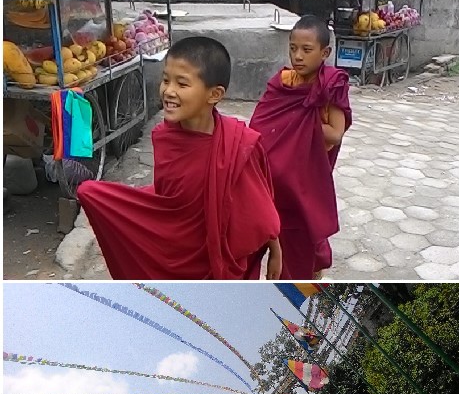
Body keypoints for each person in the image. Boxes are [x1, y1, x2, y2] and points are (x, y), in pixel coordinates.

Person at [77, 36, 282, 279]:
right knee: (90, 192)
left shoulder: (239, 145)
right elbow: (171, 202)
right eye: (165, 80)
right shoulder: (164, 137)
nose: (168, 91)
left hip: (218, 267)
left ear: (214, 94)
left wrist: (276, 250)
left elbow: (260, 212)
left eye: (182, 84)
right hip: (172, 255)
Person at [249, 15, 352, 279]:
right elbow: (259, 127)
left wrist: (302, 124)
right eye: (293, 48)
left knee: (305, 235)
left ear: (324, 53)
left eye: (307, 50)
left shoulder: (331, 84)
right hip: (271, 182)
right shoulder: (281, 82)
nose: (298, 56)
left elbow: (336, 134)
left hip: (305, 180)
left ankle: (310, 280)